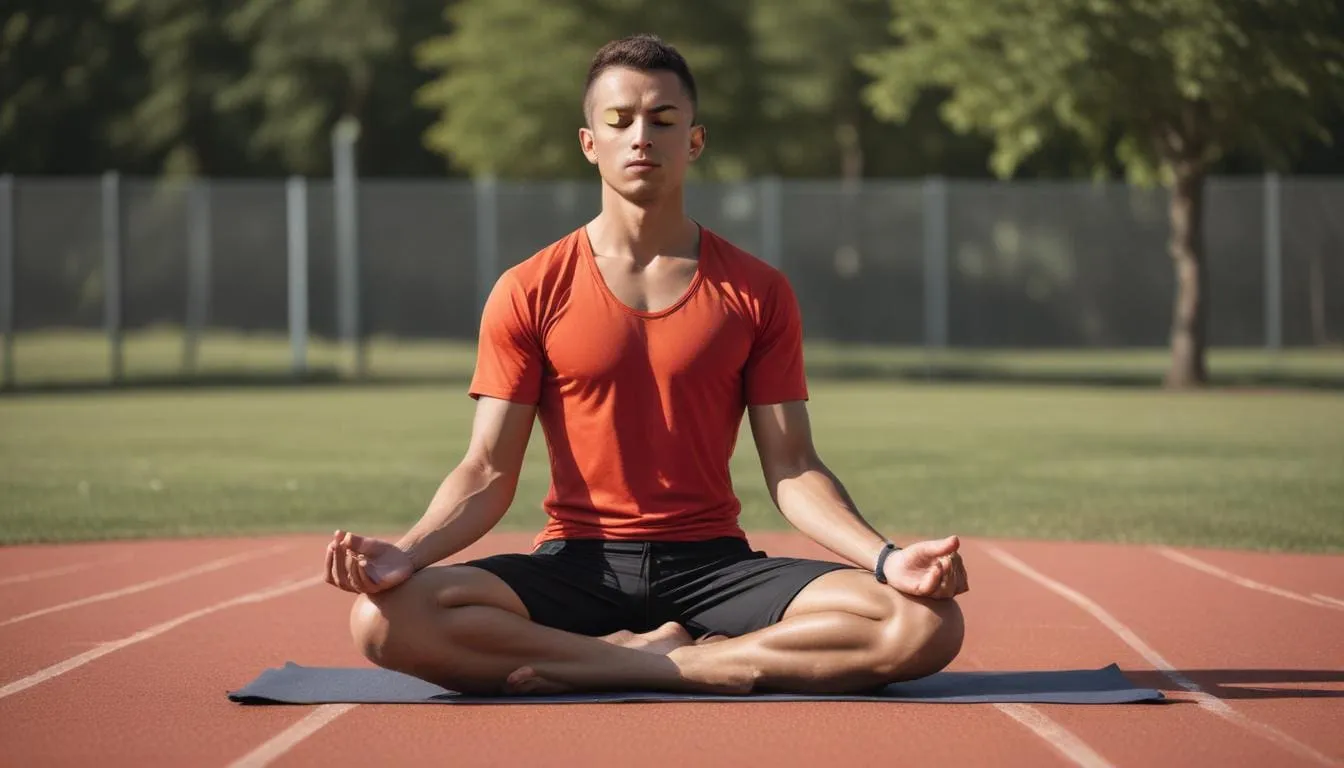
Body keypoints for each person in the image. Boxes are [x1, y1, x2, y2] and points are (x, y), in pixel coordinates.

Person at [324, 33, 968, 697]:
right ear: (588, 142)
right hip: (579, 564)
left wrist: (888, 561)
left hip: (715, 567)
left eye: (663, 121)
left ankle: (630, 661)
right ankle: (682, 662)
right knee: (381, 619)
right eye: (619, 120)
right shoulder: (529, 288)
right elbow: (487, 469)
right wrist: (410, 551)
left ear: (693, 142)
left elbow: (794, 466)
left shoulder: (757, 290)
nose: (640, 137)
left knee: (923, 624)